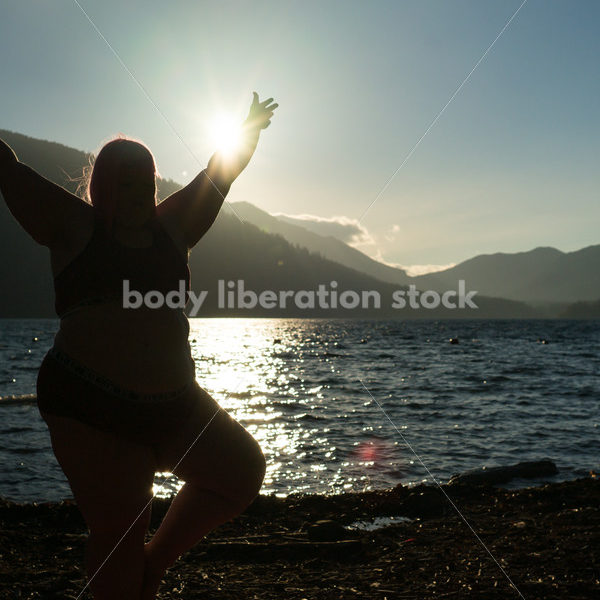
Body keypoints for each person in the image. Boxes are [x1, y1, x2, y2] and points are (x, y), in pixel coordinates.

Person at [0, 92, 278, 599]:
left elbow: (219, 175)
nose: (135, 192)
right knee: (120, 530)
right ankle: (133, 573)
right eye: (122, 182)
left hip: (174, 406)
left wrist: (248, 132)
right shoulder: (73, 227)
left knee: (240, 471)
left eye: (145, 182)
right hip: (90, 405)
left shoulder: (173, 228)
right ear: (100, 188)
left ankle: (153, 566)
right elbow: (8, 169)